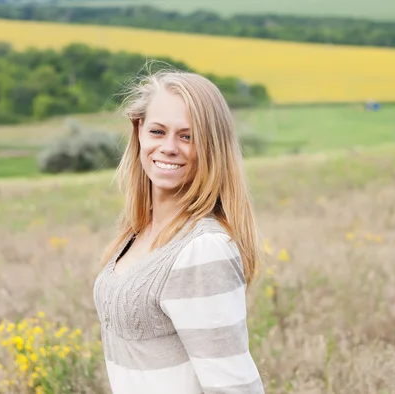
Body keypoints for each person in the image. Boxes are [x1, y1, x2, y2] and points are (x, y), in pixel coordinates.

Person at [92, 67, 265, 394]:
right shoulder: (137, 232)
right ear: (139, 130)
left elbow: (235, 387)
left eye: (187, 136)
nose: (169, 147)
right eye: (158, 131)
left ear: (212, 147)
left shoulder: (203, 249)